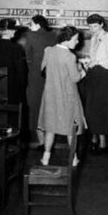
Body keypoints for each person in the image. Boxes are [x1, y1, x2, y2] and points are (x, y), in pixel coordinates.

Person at [37, 26, 87, 167]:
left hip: (51, 94)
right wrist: (83, 70)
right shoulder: (70, 56)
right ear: (67, 39)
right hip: (67, 95)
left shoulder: (48, 50)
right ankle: (73, 158)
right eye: (76, 39)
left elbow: (43, 70)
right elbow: (75, 78)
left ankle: (45, 158)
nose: (77, 42)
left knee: (51, 126)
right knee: (71, 128)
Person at [80, 13, 108, 155]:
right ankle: (94, 137)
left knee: (102, 107)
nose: (92, 29)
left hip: (103, 75)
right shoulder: (94, 37)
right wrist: (88, 61)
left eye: (95, 26)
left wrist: (98, 62)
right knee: (91, 106)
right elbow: (93, 55)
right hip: (93, 74)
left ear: (101, 24)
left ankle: (103, 142)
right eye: (90, 26)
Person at [22, 14, 57, 147]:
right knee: (49, 104)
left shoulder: (31, 35)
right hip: (51, 73)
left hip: (35, 73)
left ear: (37, 24)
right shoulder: (53, 35)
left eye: (31, 24)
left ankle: (41, 140)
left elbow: (27, 55)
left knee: (35, 104)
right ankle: (50, 141)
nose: (30, 27)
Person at [0, 17, 28, 106]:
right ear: (7, 31)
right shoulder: (16, 48)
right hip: (12, 88)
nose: (15, 32)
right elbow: (21, 71)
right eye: (13, 30)